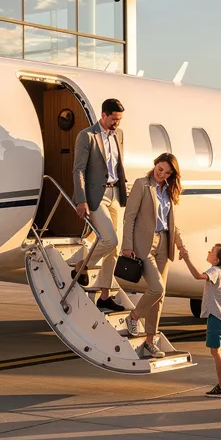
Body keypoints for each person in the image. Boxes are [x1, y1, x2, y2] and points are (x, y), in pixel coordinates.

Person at [121, 153, 184, 358]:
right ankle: (133, 316)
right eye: (160, 170)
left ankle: (150, 341)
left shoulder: (168, 190)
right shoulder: (141, 184)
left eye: (166, 172)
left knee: (160, 295)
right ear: (155, 164)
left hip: (164, 243)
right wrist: (127, 245)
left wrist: (181, 246)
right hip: (144, 244)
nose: (162, 174)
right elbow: (129, 217)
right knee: (157, 288)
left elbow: (171, 222)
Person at [72, 98, 128, 312]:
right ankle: (82, 265)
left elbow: (118, 165)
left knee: (115, 249)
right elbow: (78, 169)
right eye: (114, 119)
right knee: (109, 240)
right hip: (97, 195)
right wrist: (81, 199)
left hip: (116, 193)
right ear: (103, 115)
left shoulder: (119, 135)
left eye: (119, 120)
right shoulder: (87, 136)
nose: (117, 123)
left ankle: (105, 296)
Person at [181, 243, 221, 397]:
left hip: (217, 316)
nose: (208, 252)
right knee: (219, 349)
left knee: (215, 351)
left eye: (212, 251)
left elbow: (197, 276)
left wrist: (187, 259)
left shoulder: (214, 271)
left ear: (216, 260)